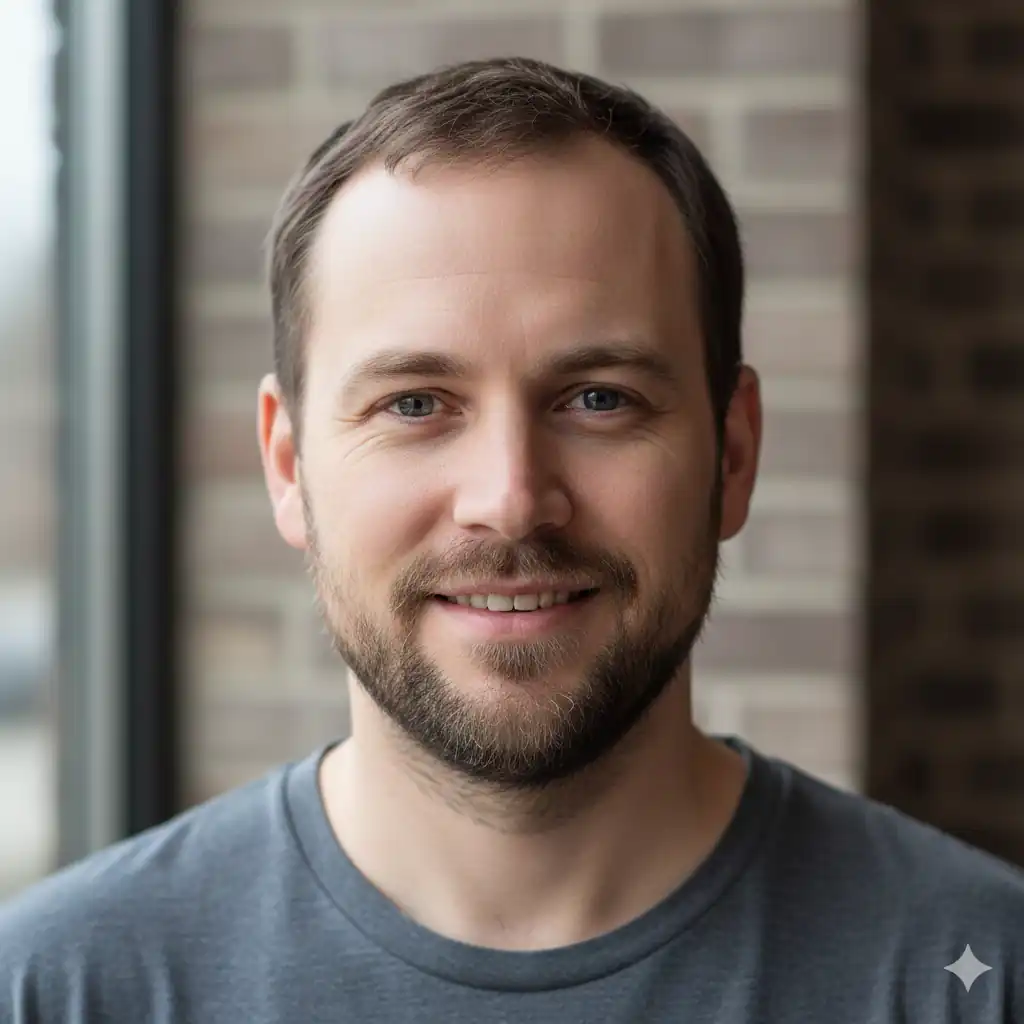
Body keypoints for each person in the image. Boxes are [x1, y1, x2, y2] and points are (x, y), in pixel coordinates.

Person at [1, 56, 1022, 1024]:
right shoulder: (59, 989)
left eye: (598, 398)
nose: (511, 499)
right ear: (287, 465)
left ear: (734, 454)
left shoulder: (980, 972)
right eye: (414, 403)